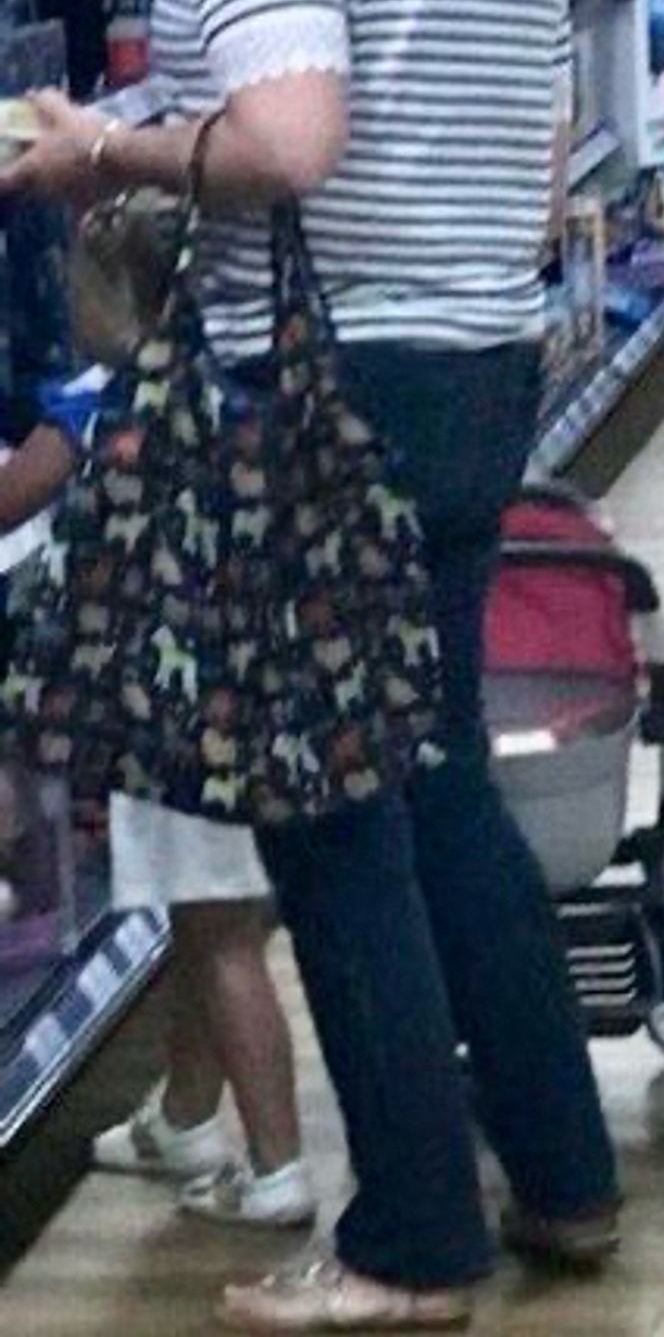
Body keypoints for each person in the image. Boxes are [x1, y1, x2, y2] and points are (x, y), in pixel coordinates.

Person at [0, 0, 618, 1331]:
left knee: (327, 815)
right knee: (435, 788)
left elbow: (287, 140)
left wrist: (93, 151)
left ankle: (412, 1239)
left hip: (315, 406)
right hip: (473, 367)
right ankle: (562, 1176)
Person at [2, 201, 314, 1231]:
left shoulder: (100, 400)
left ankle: (275, 1167)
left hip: (172, 720)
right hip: (259, 701)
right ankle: (185, 1116)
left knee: (220, 931)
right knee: (209, 916)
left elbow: (15, 496)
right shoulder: (240, 388)